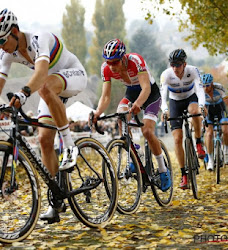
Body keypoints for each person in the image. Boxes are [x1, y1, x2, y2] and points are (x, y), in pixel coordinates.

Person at [0, 9, 87, 223]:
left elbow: (41, 72)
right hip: (50, 88)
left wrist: (24, 92)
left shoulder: (39, 38)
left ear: (15, 31)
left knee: (45, 87)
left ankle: (70, 146)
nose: (0, 46)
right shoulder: (6, 53)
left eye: (2, 40)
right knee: (44, 140)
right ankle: (56, 200)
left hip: (73, 75)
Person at [91, 38, 171, 192]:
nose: (111, 66)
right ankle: (136, 153)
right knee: (121, 117)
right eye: (108, 62)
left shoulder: (135, 60)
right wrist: (97, 113)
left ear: (123, 58)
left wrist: (138, 104)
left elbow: (146, 88)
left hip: (150, 94)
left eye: (115, 62)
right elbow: (106, 97)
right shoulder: (106, 69)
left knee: (147, 131)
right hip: (132, 93)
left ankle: (162, 170)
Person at [160, 49, 206, 189]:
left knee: (194, 111)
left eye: (178, 65)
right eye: (172, 65)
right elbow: (163, 95)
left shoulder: (193, 71)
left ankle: (198, 142)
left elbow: (200, 90)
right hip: (175, 102)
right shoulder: (166, 74)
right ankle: (184, 174)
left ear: (184, 64)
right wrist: (165, 110)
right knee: (177, 138)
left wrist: (202, 105)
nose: (175, 68)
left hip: (191, 98)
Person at [201, 73, 228, 170]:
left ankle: (226, 150)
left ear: (212, 84)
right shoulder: (200, 90)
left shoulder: (219, 88)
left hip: (220, 109)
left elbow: (226, 101)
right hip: (209, 111)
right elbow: (200, 105)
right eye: (203, 86)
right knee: (208, 134)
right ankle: (211, 160)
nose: (205, 88)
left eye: (207, 85)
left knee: (225, 130)